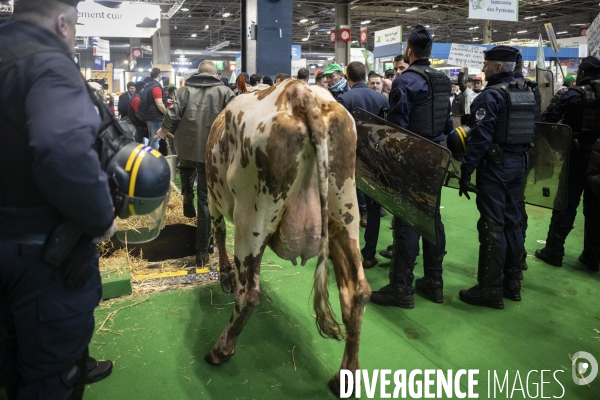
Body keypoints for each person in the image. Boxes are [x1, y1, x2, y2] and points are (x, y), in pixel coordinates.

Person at [0, 0, 118, 397]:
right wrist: (100, 219)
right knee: (51, 379)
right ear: (63, 23)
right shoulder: (49, 63)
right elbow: (60, 150)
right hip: (40, 255)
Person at [370, 25, 453, 308]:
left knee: (407, 219)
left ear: (409, 50)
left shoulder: (406, 81)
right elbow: (448, 123)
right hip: (437, 157)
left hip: (412, 160)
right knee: (432, 219)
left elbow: (396, 130)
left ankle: (401, 288)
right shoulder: (442, 80)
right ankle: (434, 281)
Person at [457, 45, 534, 309]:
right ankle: (512, 282)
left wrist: (466, 170)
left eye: (487, 63)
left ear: (498, 67)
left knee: (493, 225)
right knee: (514, 222)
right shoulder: (526, 93)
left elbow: (479, 140)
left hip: (496, 169)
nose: (483, 67)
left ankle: (489, 288)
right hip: (519, 165)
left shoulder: (490, 97)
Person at [157, 61, 235, 266]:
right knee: (205, 199)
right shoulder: (225, 92)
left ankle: (186, 196)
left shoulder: (183, 91)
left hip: (185, 145)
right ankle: (202, 250)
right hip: (210, 150)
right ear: (215, 74)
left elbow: (172, 115)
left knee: (185, 167)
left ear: (198, 73)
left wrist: (164, 129)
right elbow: (234, 120)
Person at [535, 57, 600, 272]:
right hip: (598, 161)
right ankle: (592, 257)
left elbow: (547, 121)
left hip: (576, 157)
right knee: (596, 208)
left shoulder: (572, 94)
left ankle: (554, 251)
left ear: (581, 73)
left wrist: (558, 147)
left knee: (565, 204)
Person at [337, 62, 389, 270]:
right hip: (375, 160)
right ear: (366, 76)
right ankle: (368, 254)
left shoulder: (344, 99)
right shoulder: (381, 98)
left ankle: (343, 252)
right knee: (374, 209)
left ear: (347, 76)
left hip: (351, 159)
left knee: (346, 206)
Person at [143, 68, 168, 152]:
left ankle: (148, 158)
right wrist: (167, 113)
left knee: (152, 139)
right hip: (156, 117)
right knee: (155, 139)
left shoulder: (148, 85)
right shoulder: (156, 87)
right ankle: (152, 160)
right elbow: (159, 104)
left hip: (149, 115)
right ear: (159, 75)